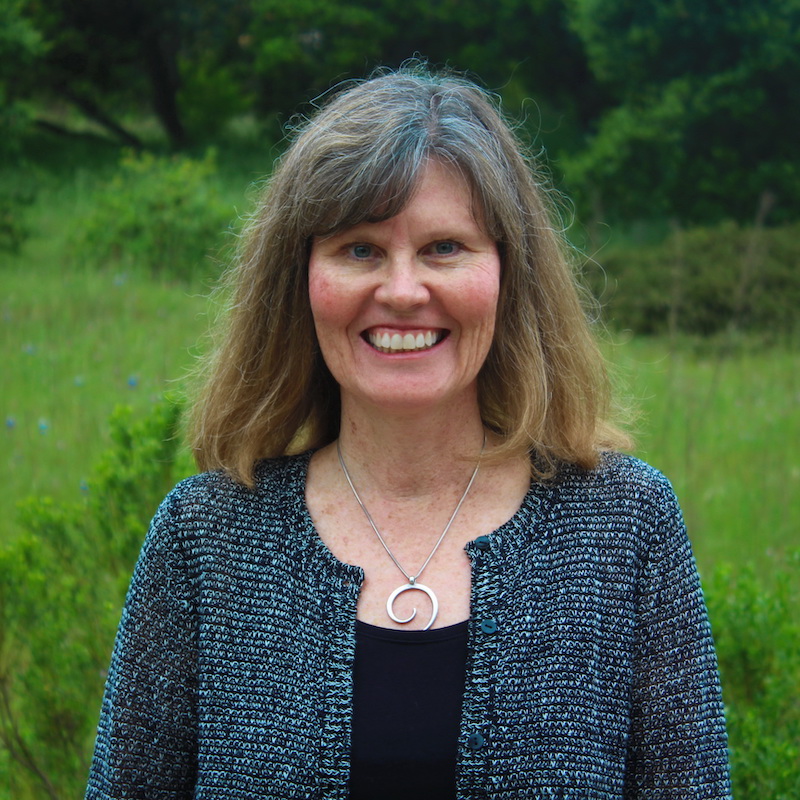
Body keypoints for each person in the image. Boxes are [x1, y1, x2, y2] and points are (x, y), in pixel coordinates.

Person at [85, 67, 731, 799]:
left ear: (508, 275)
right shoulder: (206, 539)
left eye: (444, 248)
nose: (400, 291)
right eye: (359, 249)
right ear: (299, 280)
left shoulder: (626, 528)